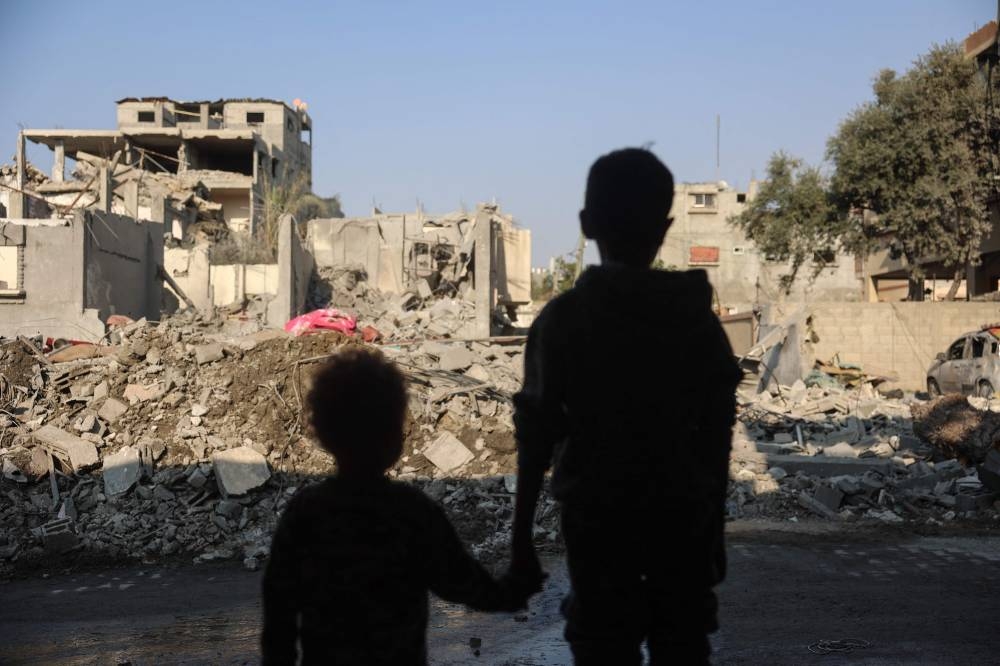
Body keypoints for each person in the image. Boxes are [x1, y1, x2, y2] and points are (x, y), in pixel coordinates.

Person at [508, 148, 742, 665]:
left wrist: (521, 538)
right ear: (665, 228)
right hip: (682, 527)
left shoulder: (564, 320)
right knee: (682, 644)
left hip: (599, 529)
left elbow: (535, 435)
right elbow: (717, 432)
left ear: (586, 224)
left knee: (601, 645)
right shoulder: (695, 323)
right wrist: (714, 529)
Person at [262, 348, 533, 665]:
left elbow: (278, 609)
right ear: (394, 437)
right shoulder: (412, 512)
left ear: (322, 433)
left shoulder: (305, 513)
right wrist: (513, 592)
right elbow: (461, 583)